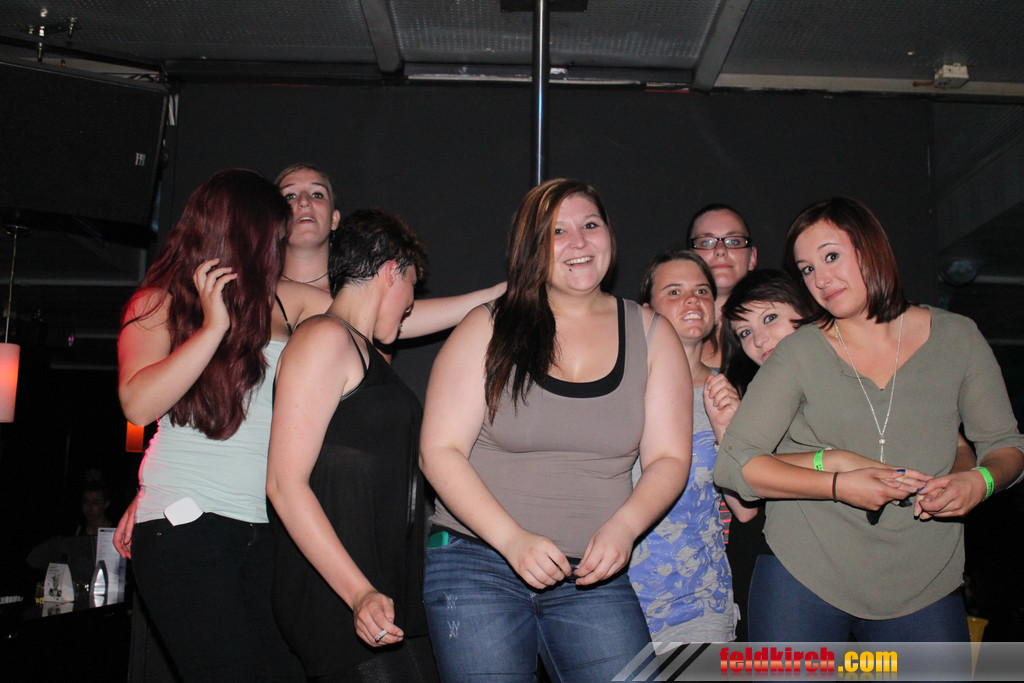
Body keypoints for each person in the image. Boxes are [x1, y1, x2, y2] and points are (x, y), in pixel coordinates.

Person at [713, 196, 1024, 644]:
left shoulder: (958, 338)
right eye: (806, 269)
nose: (820, 279)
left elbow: (1005, 445)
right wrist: (838, 483)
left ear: (870, 247)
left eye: (831, 257)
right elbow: (734, 465)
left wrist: (980, 482)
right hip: (805, 572)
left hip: (924, 578)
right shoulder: (798, 352)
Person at [419, 178, 692, 681]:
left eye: (590, 225)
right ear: (532, 248)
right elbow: (438, 450)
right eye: (557, 232)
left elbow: (669, 459)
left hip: (590, 575)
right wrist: (512, 540)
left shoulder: (652, 332)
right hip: (477, 561)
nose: (578, 242)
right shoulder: (487, 326)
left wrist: (625, 527)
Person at [117, 169, 328, 680]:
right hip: (188, 524)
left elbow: (378, 314)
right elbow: (138, 405)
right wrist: (213, 329)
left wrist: (497, 298)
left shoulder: (283, 300)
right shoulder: (157, 302)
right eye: (272, 237)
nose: (278, 249)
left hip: (265, 529)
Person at [266, 208, 437, 682]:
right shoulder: (324, 337)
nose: (410, 307)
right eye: (412, 287)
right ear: (392, 271)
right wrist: (358, 592)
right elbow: (284, 483)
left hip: (382, 598)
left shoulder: (366, 352)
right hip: (343, 601)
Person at [629, 249, 754, 646]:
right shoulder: (615, 389)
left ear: (715, 311)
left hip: (697, 603)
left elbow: (746, 509)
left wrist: (727, 429)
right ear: (646, 311)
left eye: (702, 291)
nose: (692, 300)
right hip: (609, 601)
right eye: (674, 291)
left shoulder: (730, 394)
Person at [275, 163, 505, 338]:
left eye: (317, 194)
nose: (304, 201)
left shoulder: (367, 287)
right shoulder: (260, 293)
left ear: (335, 218)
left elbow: (393, 317)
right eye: (290, 196)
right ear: (273, 220)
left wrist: (496, 294)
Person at [687, 204, 757, 369]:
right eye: (706, 242)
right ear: (688, 257)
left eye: (734, 241)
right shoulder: (663, 334)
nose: (720, 250)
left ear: (752, 257)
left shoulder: (778, 332)